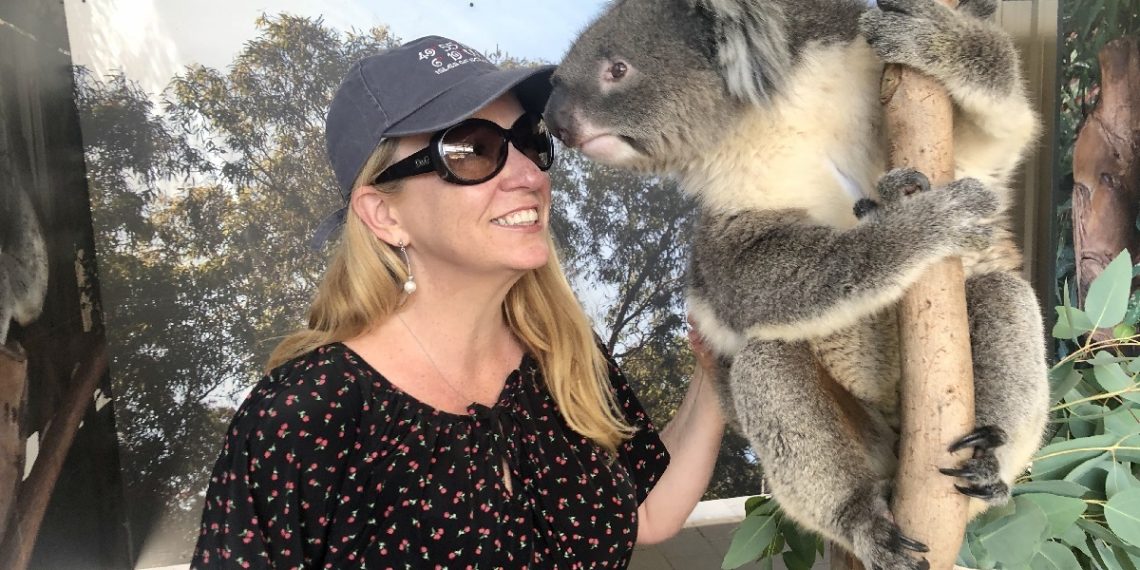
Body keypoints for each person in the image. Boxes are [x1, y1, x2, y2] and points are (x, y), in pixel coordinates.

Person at [191, 35, 724, 569]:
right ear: (384, 214)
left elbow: (647, 510)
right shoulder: (304, 417)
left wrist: (716, 371)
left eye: (529, 139)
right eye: (472, 151)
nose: (530, 175)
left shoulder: (564, 357)